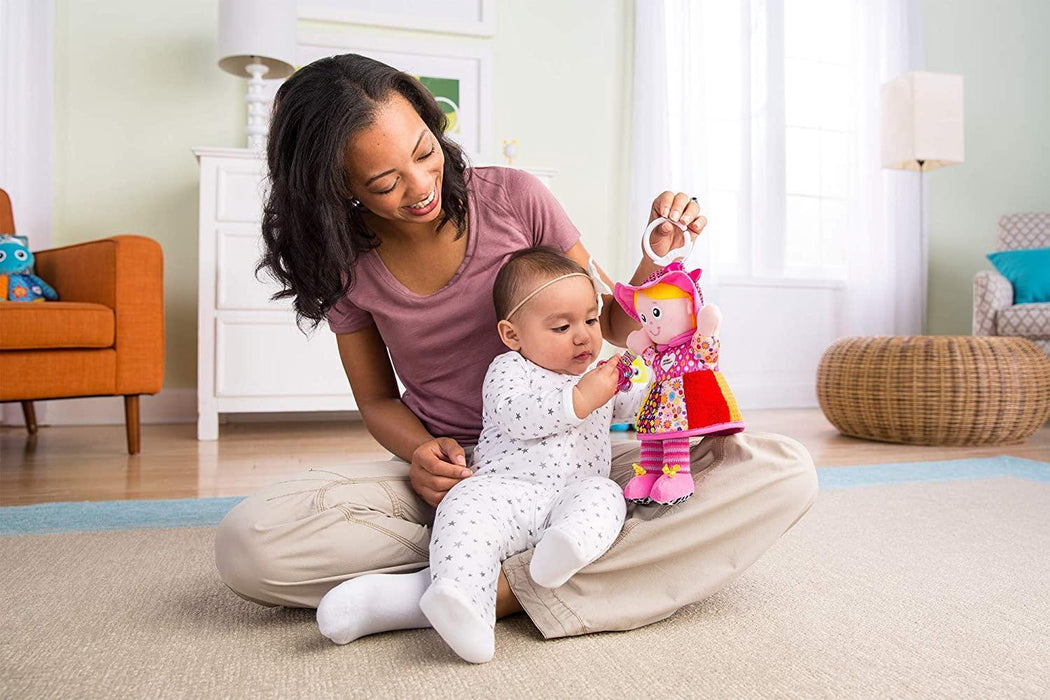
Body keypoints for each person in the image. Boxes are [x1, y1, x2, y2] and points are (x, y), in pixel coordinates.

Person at [214, 53, 818, 642]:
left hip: (580, 461)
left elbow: (607, 322)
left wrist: (657, 257)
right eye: (385, 182)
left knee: (779, 472)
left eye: (425, 153)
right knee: (250, 543)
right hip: (461, 478)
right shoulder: (347, 262)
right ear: (336, 187)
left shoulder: (515, 197)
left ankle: (484, 588)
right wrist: (424, 454)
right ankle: (510, 557)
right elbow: (376, 400)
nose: (422, 186)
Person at [317, 248, 649, 663]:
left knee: (606, 494)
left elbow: (642, 407)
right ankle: (464, 606)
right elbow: (521, 418)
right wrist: (584, 396)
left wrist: (666, 380)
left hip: (569, 498)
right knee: (464, 503)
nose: (583, 336)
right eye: (562, 327)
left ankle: (563, 551)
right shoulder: (510, 369)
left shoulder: (596, 376)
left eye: (590, 320)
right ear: (512, 335)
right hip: (503, 495)